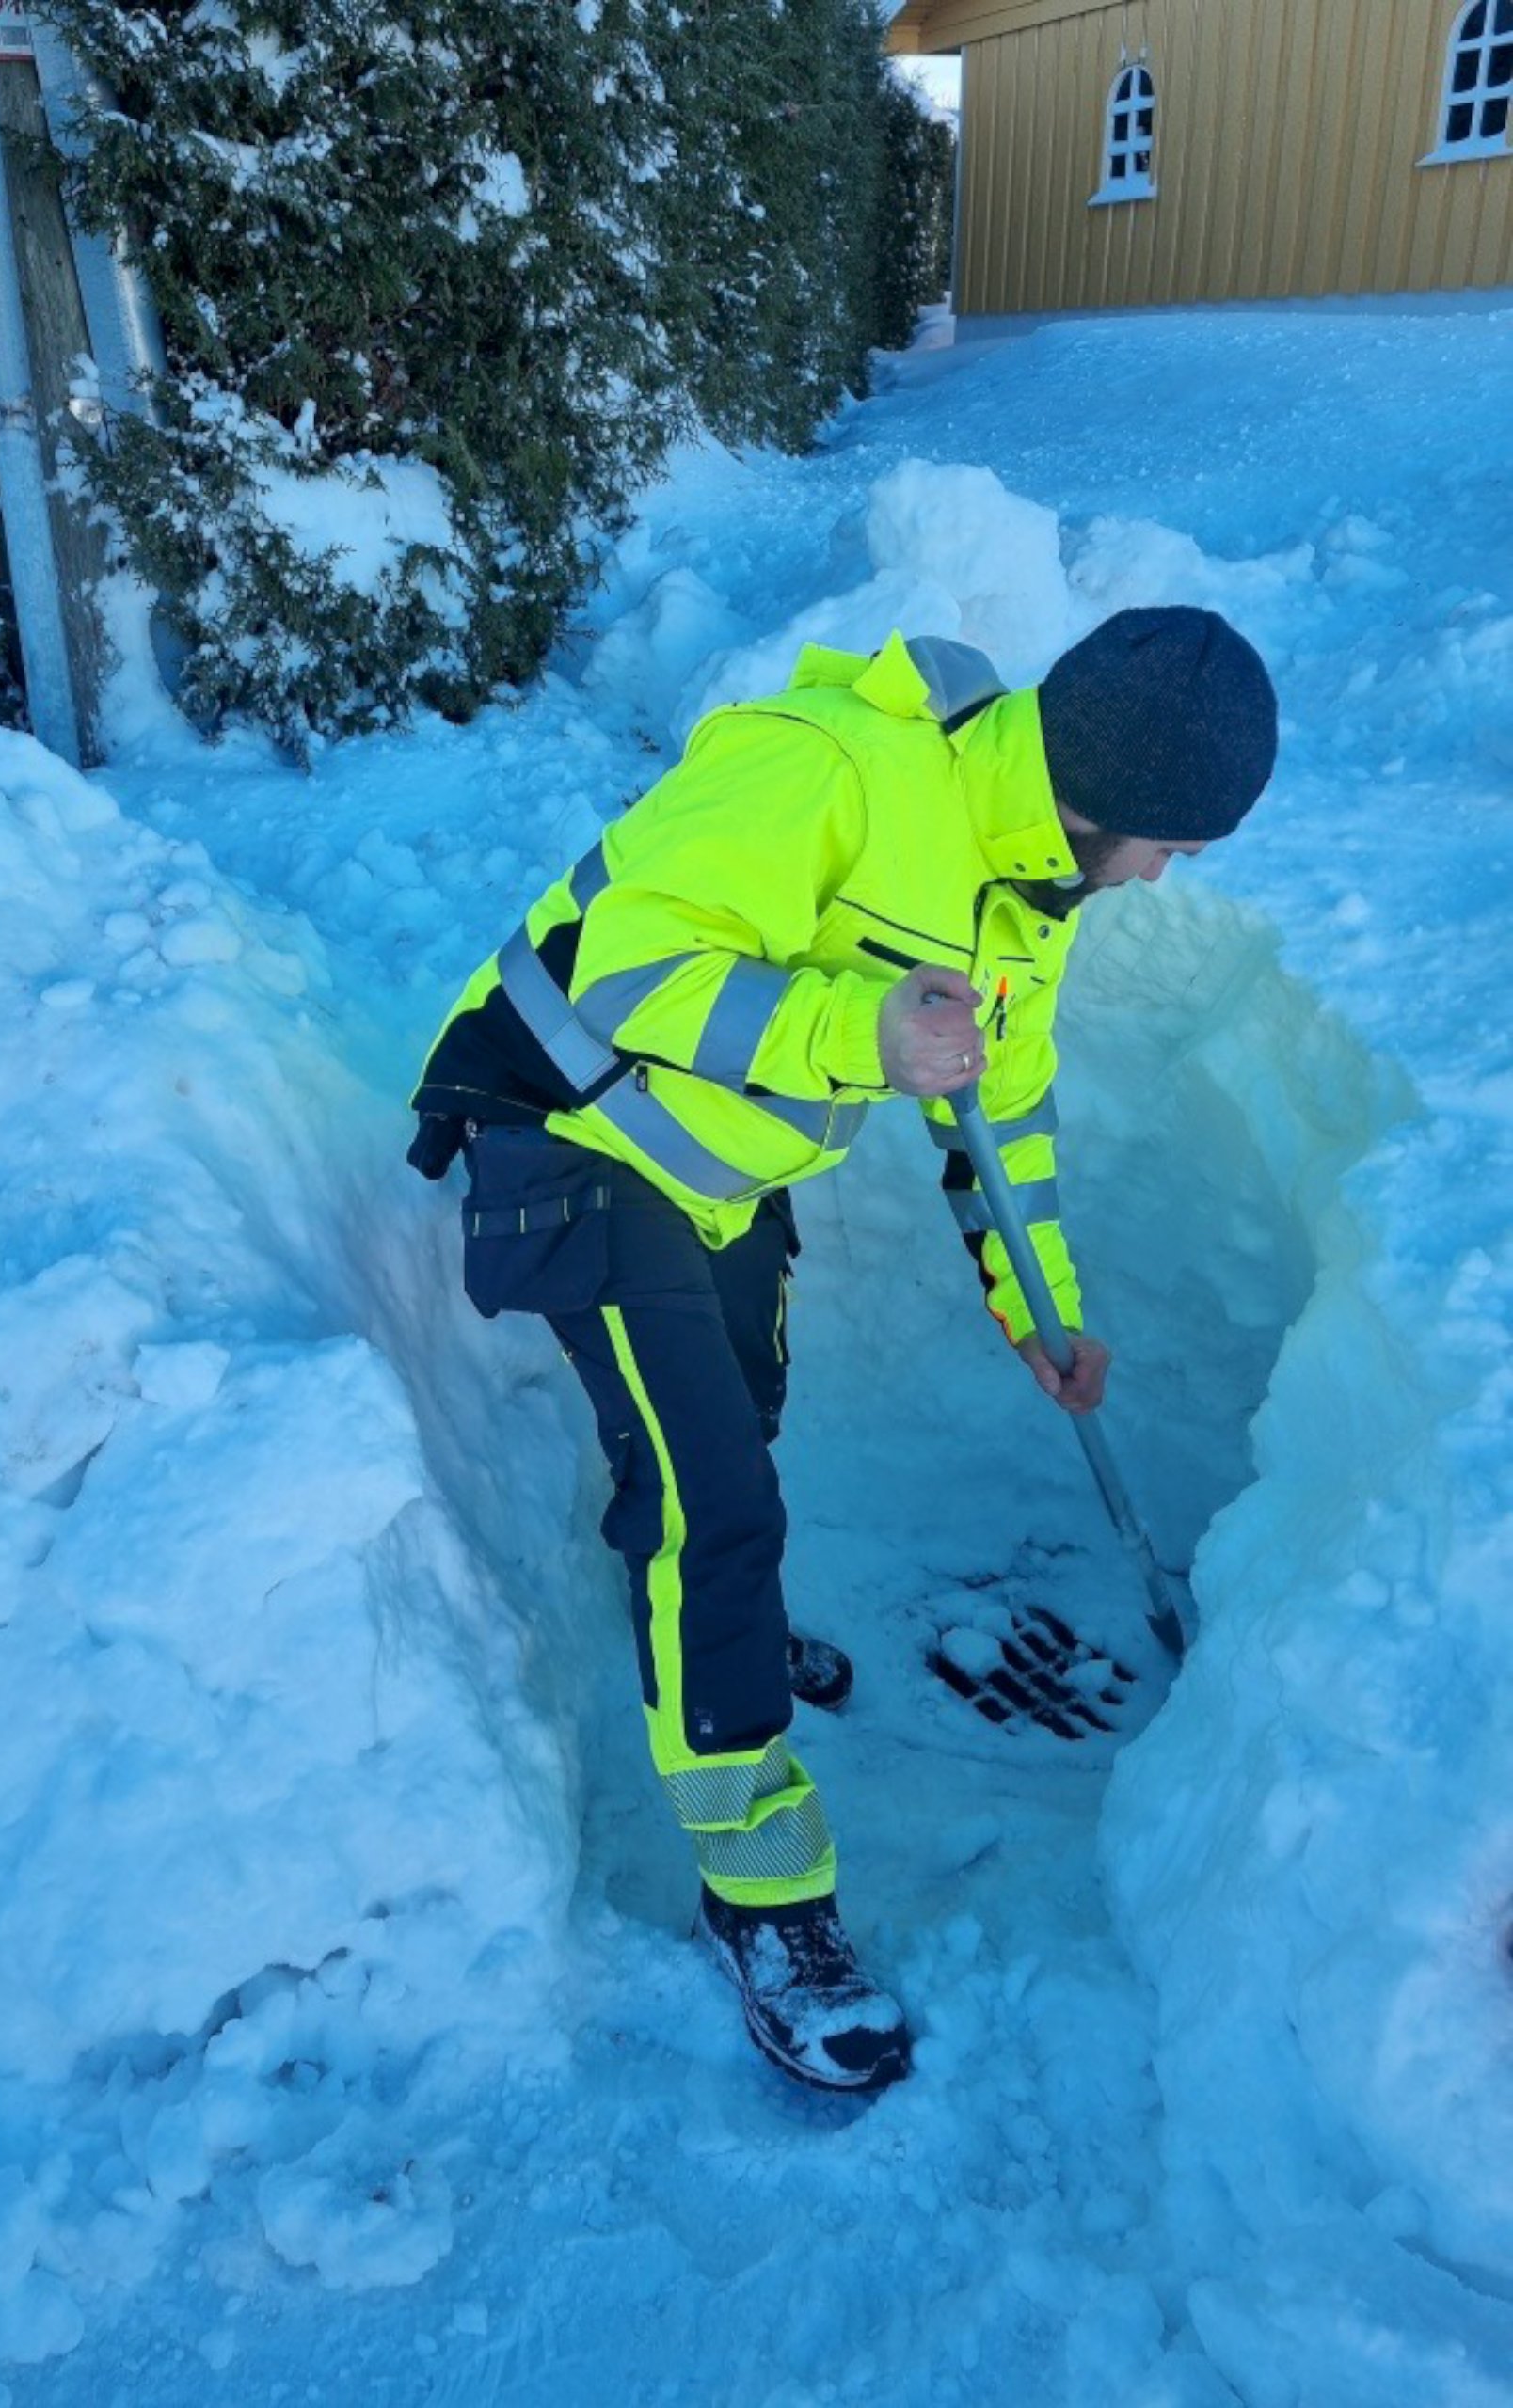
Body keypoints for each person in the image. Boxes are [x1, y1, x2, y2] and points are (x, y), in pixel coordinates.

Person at [408, 605, 1279, 2095]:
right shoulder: (832, 767)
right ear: (1106, 802)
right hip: (563, 1128)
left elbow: (1001, 1118)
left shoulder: (1027, 891)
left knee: (745, 1422)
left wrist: (1041, 1310)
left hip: (716, 1167)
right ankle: (767, 1909)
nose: (1163, 877)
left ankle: (717, 1640)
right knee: (709, 1506)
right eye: (1174, 847)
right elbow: (624, 969)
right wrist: (858, 1032)